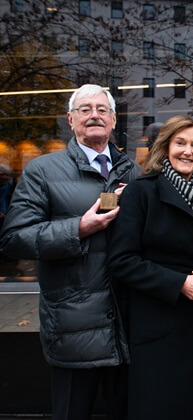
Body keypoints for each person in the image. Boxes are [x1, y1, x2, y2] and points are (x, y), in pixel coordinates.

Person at [0, 84, 139, 419]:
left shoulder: (133, 172)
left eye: (102, 109)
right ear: (70, 120)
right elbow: (13, 239)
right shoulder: (43, 170)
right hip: (73, 327)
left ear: (114, 120)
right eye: (85, 109)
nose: (94, 115)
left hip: (127, 326)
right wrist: (78, 228)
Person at [107, 115, 193, 419]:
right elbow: (122, 261)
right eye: (180, 143)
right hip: (160, 324)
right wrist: (180, 283)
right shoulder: (142, 192)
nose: (188, 151)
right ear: (165, 148)